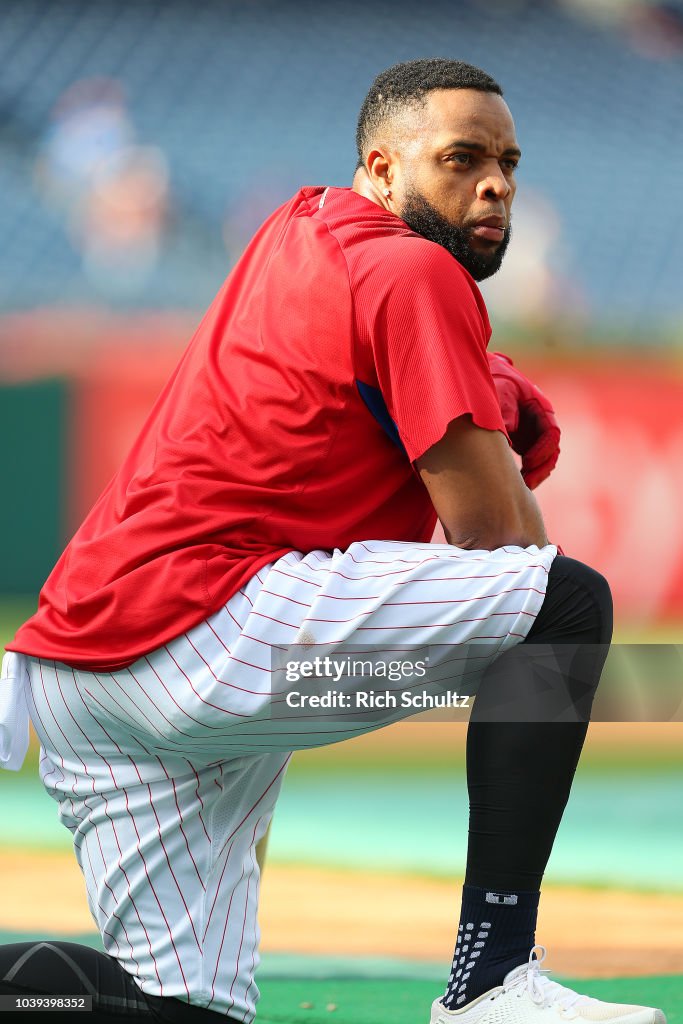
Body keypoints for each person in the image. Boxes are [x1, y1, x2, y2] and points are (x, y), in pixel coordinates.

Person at [0, 59, 665, 1024]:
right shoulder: (414, 268)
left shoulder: (298, 224)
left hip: (79, 676)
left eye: (508, 163)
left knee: (181, 1010)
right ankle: (489, 981)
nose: (493, 184)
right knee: (561, 608)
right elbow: (500, 544)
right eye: (460, 159)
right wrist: (500, 412)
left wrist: (489, 388)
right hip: (206, 639)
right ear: (381, 170)